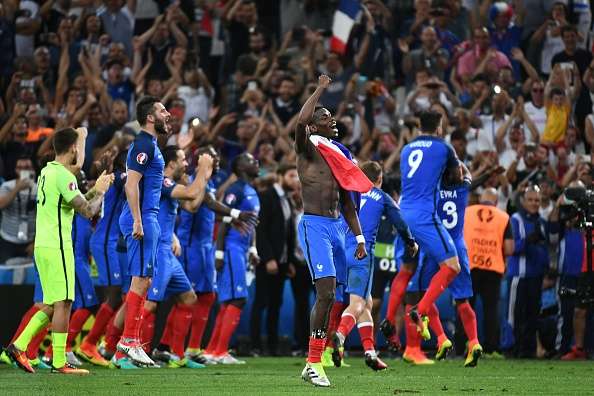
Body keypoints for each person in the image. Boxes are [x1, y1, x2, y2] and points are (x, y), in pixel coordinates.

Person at [6, 127, 113, 374]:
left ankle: (18, 346)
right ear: (73, 148)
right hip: (58, 246)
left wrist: (96, 188)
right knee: (64, 302)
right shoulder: (64, 176)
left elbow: (74, 202)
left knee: (52, 303)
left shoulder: (47, 172)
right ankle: (58, 361)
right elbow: (87, 210)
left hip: (43, 246)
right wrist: (101, 190)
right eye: (79, 146)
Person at [295, 75, 367, 387]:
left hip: (338, 227)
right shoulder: (307, 147)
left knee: (333, 294)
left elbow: (348, 200)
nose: (332, 120)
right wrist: (321, 87)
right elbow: (300, 120)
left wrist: (360, 236)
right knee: (325, 291)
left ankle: (315, 359)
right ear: (314, 125)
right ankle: (313, 362)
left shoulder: (339, 153)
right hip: (314, 225)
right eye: (326, 117)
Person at [175, 146, 257, 364]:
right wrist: (235, 216)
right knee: (186, 299)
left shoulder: (210, 182)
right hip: (191, 247)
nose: (217, 158)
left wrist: (251, 247)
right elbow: (213, 207)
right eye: (212, 156)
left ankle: (197, 349)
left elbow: (244, 221)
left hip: (205, 248)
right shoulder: (196, 181)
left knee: (208, 297)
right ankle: (175, 350)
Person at [333, 161, 417, 371]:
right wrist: (411, 242)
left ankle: (370, 353)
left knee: (367, 303)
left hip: (341, 252)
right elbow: (400, 222)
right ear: (380, 179)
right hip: (361, 252)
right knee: (358, 304)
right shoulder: (381, 197)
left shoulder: (349, 192)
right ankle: (340, 335)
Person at [138, 146, 213, 369]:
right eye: (182, 159)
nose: (185, 163)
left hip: (168, 251)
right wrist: (202, 169)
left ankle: (172, 353)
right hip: (158, 252)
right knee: (150, 304)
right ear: (171, 164)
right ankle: (132, 350)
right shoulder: (162, 181)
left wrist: (204, 178)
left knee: (188, 298)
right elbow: (191, 194)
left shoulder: (171, 185)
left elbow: (191, 206)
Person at [397, 109, 462, 341]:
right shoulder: (444, 147)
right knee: (452, 266)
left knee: (408, 272)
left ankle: (407, 341)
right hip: (424, 215)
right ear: (439, 127)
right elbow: (457, 178)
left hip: (403, 214)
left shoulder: (406, 149)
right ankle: (420, 310)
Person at [116, 96, 171, 367]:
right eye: (163, 111)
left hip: (149, 217)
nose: (168, 114)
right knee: (140, 280)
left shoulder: (151, 145)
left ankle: (129, 345)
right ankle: (128, 341)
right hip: (141, 219)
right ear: (151, 117)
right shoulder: (142, 144)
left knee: (144, 280)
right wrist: (137, 220)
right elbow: (131, 184)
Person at [202, 153, 261, 365]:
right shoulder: (235, 190)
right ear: (239, 167)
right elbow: (225, 221)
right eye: (249, 160)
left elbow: (251, 224)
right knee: (238, 299)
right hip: (231, 248)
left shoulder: (252, 190)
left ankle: (213, 350)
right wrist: (219, 254)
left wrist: (253, 249)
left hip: (243, 250)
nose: (255, 161)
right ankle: (219, 351)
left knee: (229, 301)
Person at [78, 152, 127, 366]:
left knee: (119, 297)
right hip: (105, 242)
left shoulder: (119, 177)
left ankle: (103, 345)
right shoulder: (121, 177)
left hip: (111, 243)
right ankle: (89, 344)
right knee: (114, 296)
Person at [251, 163, 300, 356]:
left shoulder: (287, 200)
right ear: (279, 176)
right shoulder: (267, 197)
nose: (295, 180)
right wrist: (269, 258)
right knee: (261, 303)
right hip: (267, 262)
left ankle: (272, 346)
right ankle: (255, 346)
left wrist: (287, 262)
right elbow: (260, 231)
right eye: (291, 176)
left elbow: (287, 234)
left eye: (296, 177)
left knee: (275, 305)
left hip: (282, 263)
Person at [465, 187, 514, 358]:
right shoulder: (503, 217)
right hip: (493, 269)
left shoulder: (467, 213)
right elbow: (509, 249)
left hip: (469, 267)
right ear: (495, 201)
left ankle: (464, 345)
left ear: (481, 199)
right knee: (490, 311)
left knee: (465, 307)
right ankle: (490, 348)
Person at [508, 185, 549, 358]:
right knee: (516, 315)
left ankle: (529, 350)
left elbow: (546, 249)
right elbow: (510, 248)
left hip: (536, 276)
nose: (534, 203)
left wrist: (547, 270)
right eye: (531, 200)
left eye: (537, 200)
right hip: (519, 275)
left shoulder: (542, 221)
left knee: (533, 315)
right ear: (523, 201)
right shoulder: (515, 219)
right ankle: (513, 348)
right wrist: (527, 241)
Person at [0, 156, 37, 263]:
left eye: (27, 167)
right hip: (8, 240)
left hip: (30, 241)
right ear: (16, 170)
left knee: (28, 276)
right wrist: (17, 189)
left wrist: (35, 242)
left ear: (33, 170)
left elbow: (44, 219)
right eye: (20, 167)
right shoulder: (7, 186)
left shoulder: (39, 189)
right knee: (7, 274)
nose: (24, 170)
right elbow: (1, 205)